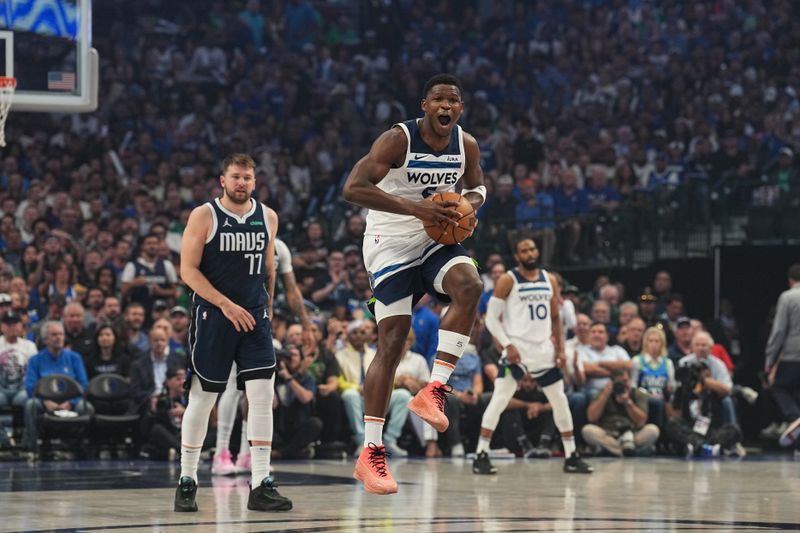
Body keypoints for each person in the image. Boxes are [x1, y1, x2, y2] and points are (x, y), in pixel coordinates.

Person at [342, 73, 485, 494]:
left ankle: (435, 388)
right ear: (425, 105)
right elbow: (353, 188)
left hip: (434, 236)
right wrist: (414, 208)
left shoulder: (467, 145)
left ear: (459, 109)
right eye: (438, 99)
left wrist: (466, 204)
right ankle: (371, 453)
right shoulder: (397, 140)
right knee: (392, 341)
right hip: (388, 242)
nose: (446, 106)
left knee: (471, 285)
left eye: (453, 101)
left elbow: (478, 187)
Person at [173, 153, 291, 512]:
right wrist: (225, 304)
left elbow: (269, 269)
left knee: (260, 397)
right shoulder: (204, 215)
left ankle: (260, 482)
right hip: (214, 316)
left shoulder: (268, 216)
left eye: (248, 178)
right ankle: (187, 479)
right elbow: (188, 271)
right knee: (203, 398)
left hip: (254, 318)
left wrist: (267, 307)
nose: (242, 183)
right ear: (222, 181)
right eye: (236, 177)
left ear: (255, 182)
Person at [473, 238, 592, 475]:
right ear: (517, 256)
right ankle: (481, 454)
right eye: (524, 250)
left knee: (560, 400)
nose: (529, 253)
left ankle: (571, 455)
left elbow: (556, 318)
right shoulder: (508, 279)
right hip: (517, 350)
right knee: (499, 400)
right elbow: (490, 319)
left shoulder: (550, 279)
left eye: (532, 249)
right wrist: (507, 345)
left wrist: (559, 349)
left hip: (543, 350)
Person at [212, 236, 314, 476]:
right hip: (232, 316)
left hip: (261, 321)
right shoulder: (236, 239)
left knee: (258, 390)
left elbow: (291, 289)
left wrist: (306, 325)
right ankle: (221, 453)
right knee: (233, 387)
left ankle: (248, 455)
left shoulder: (280, 247)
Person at [583, 369, 660, 456]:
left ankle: (613, 450)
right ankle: (626, 451)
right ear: (612, 383)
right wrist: (605, 395)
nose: (624, 385)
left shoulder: (638, 394)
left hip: (632, 434)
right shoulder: (603, 393)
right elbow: (592, 418)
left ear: (630, 381)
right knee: (588, 430)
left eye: (626, 381)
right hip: (608, 433)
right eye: (619, 383)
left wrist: (628, 403)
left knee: (653, 430)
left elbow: (641, 422)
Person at [764, 264, 800, 450]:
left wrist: (770, 359)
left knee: (779, 387)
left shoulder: (788, 297)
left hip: (793, 354)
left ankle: (795, 418)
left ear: (790, 280)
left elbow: (779, 330)